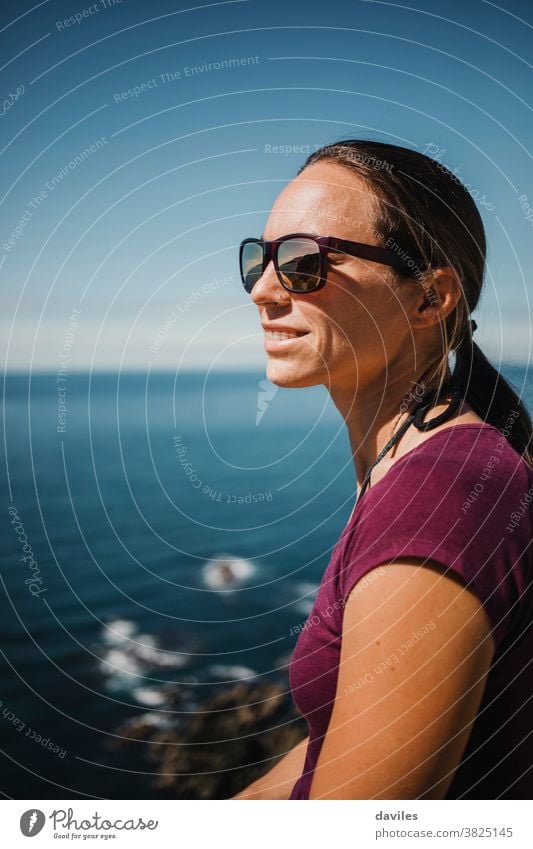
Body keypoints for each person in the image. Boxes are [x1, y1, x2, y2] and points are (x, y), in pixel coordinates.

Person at [233, 139, 533, 800]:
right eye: (258, 258)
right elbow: (325, 747)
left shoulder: (440, 502)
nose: (262, 289)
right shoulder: (416, 467)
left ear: (429, 298)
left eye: (304, 262)